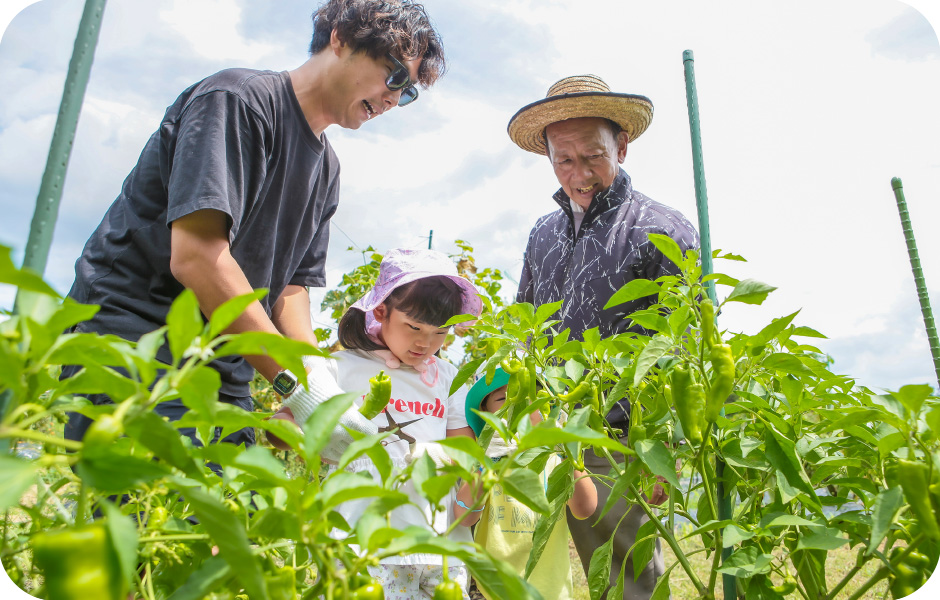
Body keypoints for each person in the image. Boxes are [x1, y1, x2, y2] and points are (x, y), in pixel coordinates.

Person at [62, 0, 446, 461]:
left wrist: (315, 379)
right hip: (139, 346)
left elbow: (292, 288)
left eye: (407, 94)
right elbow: (197, 257)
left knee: (222, 522)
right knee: (141, 515)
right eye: (395, 76)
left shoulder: (326, 170)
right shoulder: (237, 101)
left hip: (223, 371)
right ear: (340, 36)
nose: (392, 99)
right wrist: (293, 385)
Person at [507, 75, 700, 599]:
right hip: (547, 430)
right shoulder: (542, 233)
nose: (580, 173)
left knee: (625, 577)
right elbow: (526, 322)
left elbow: (685, 344)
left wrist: (663, 447)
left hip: (618, 440)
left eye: (593, 155)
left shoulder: (661, 226)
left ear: (622, 144)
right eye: (563, 160)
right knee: (528, 564)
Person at [276, 248, 481, 599]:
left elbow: (467, 457)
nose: (425, 343)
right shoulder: (341, 369)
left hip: (438, 549)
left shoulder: (450, 378)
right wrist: (301, 436)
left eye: (439, 333)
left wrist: (468, 504)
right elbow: (282, 424)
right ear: (382, 311)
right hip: (363, 544)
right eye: (414, 327)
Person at [454, 367, 597, 600]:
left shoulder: (555, 461)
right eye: (502, 399)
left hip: (550, 587)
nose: (516, 406)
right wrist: (484, 466)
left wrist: (568, 454)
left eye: (527, 398)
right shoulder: (485, 464)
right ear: (485, 415)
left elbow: (585, 509)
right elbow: (464, 515)